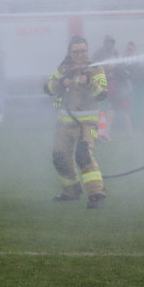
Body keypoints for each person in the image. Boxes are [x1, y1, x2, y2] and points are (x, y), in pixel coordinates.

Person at [44, 36, 108, 209]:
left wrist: (87, 83)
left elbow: (102, 93)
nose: (80, 55)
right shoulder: (63, 68)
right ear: (69, 52)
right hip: (64, 124)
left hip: (87, 125)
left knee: (83, 154)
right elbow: (48, 88)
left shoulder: (95, 69)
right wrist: (60, 82)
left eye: (83, 51)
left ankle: (96, 195)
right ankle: (70, 192)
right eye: (76, 52)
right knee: (59, 157)